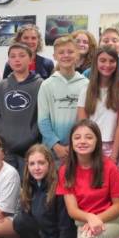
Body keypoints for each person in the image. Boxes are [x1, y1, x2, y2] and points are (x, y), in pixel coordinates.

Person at [76, 46, 119, 238]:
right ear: (95, 63)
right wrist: (89, 148)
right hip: (91, 146)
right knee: (94, 186)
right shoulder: (85, 89)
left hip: (114, 146)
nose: (107, 65)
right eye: (103, 61)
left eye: (112, 61)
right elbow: (82, 122)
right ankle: (96, 223)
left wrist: (114, 156)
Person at [14, 144, 76, 238]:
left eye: (41, 163)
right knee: (19, 221)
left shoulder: (59, 187)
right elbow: (26, 220)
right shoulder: (30, 184)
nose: (36, 168)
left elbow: (67, 229)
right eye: (32, 164)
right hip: (42, 234)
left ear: (50, 163)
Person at [0, 42, 43, 175]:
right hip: (7, 147)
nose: (17, 59)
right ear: (8, 61)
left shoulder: (40, 85)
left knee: (28, 185)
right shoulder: (1, 86)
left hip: (31, 146)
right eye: (12, 56)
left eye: (21, 55)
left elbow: (43, 116)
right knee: (8, 183)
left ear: (31, 59)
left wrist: (31, 136)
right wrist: (4, 138)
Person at [37, 36, 88, 165]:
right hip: (52, 150)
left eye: (70, 52)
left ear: (77, 55)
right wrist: (56, 145)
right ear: (55, 56)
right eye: (61, 52)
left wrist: (76, 143)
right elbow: (43, 120)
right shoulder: (46, 85)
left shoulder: (86, 84)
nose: (66, 55)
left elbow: (87, 119)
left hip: (78, 148)